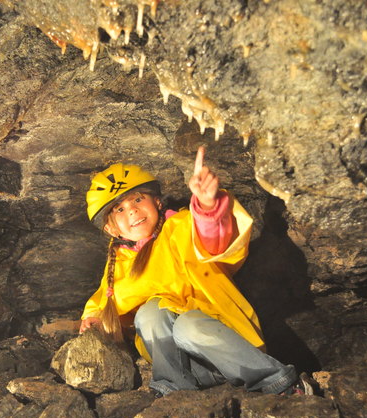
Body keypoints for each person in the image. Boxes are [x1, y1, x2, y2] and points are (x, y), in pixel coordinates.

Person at [79, 146, 306, 396]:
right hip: (189, 370)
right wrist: (93, 319)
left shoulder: (181, 226)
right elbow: (105, 298)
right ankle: (174, 391)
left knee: (188, 325)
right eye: (119, 209)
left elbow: (212, 240)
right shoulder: (119, 261)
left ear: (156, 202)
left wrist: (207, 207)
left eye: (137, 199)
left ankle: (278, 382)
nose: (131, 209)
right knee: (149, 313)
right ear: (112, 230)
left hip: (230, 352)